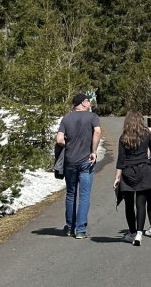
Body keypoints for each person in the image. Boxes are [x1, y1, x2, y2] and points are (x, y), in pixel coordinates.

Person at [56, 92, 102, 239]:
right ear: (82, 103)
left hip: (70, 161)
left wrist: (69, 144)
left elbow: (59, 139)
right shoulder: (92, 117)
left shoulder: (66, 118)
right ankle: (80, 230)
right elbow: (97, 131)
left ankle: (69, 227)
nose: (90, 103)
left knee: (70, 194)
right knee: (84, 195)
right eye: (88, 101)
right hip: (86, 161)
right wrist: (93, 151)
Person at [113, 110, 151, 246]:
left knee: (128, 204)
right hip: (144, 170)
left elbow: (121, 160)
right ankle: (139, 233)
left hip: (128, 172)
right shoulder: (146, 134)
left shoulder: (123, 137)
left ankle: (132, 232)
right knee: (141, 203)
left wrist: (117, 177)